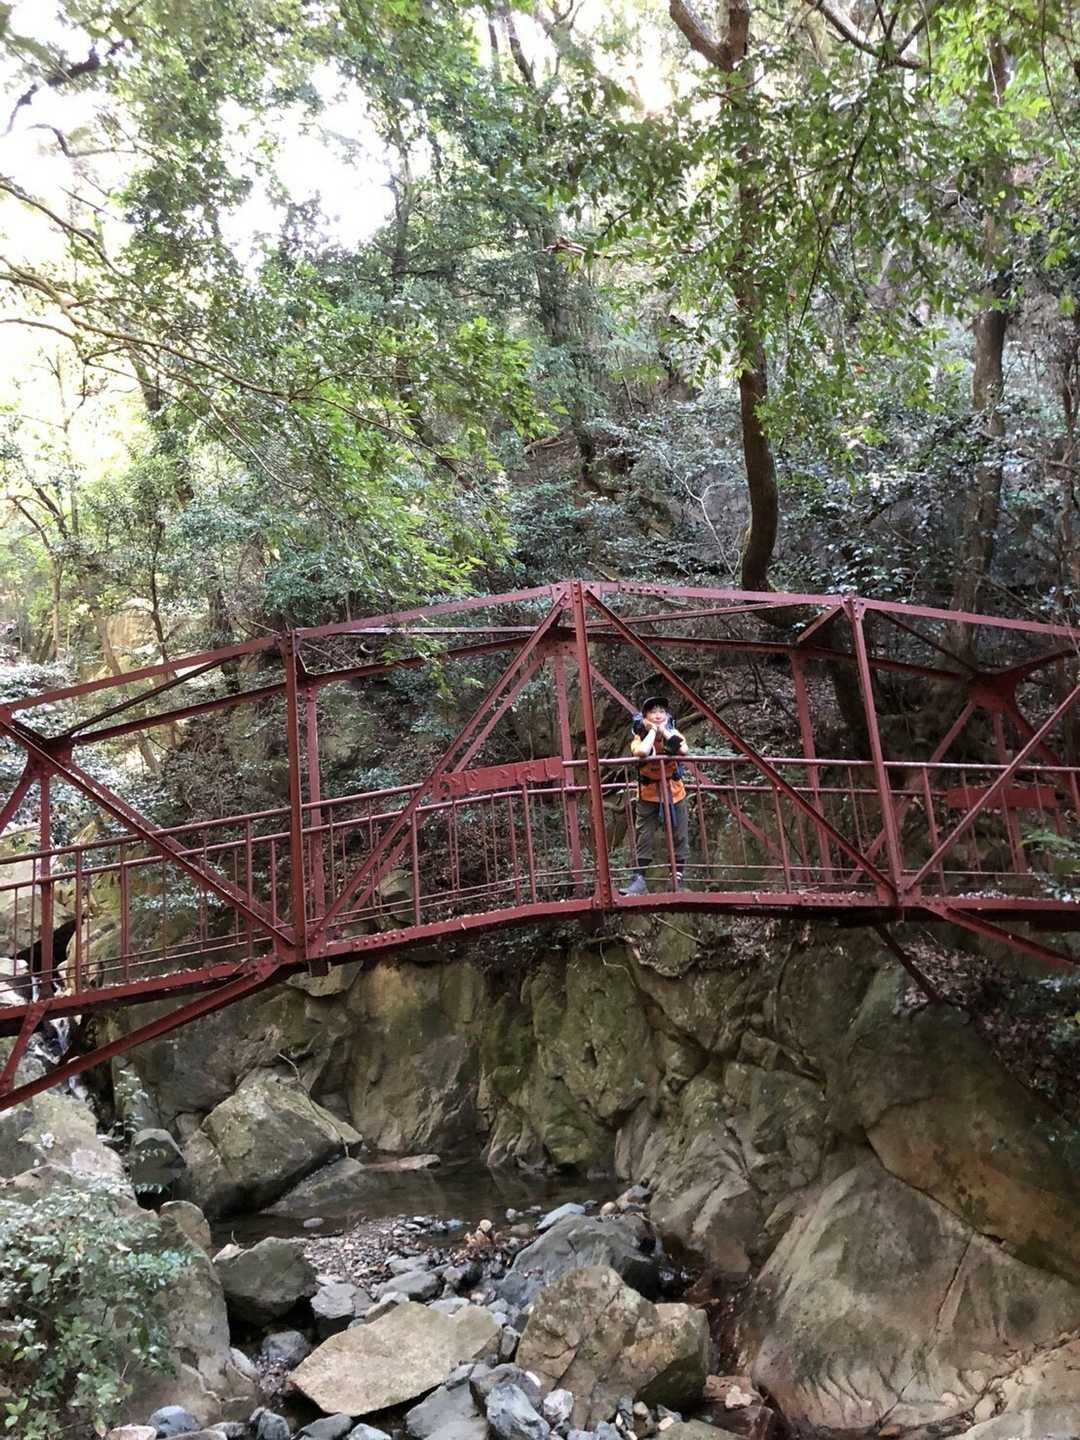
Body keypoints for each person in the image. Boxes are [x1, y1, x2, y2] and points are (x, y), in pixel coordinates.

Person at [619, 695, 689, 895]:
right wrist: (651, 731)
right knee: (645, 835)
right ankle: (639, 879)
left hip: (674, 791)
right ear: (645, 717)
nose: (658, 715)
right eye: (653, 712)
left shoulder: (673, 733)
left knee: (680, 834)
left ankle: (677, 878)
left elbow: (683, 749)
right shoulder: (640, 737)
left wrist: (664, 731)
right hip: (648, 794)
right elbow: (642, 752)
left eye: (662, 711)